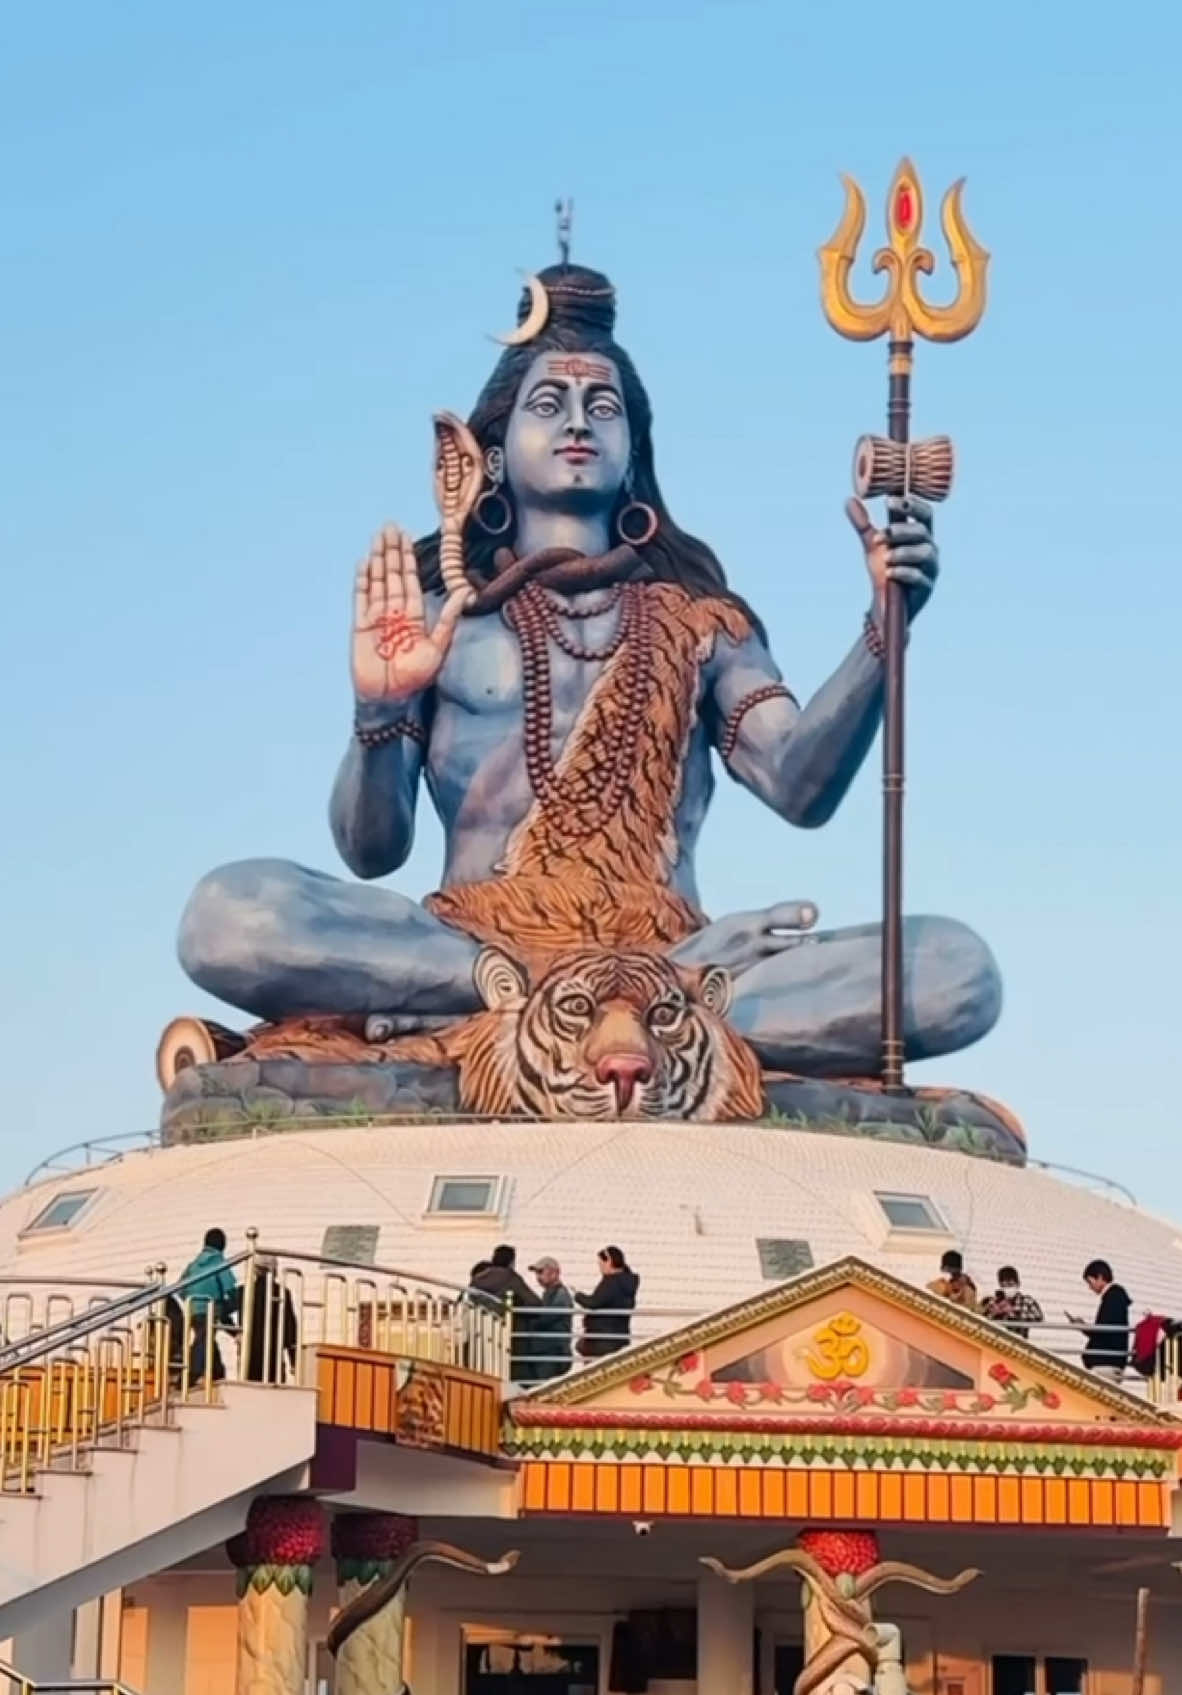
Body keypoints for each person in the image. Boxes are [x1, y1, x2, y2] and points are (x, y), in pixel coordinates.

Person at [177, 261, 1000, 1083]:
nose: (579, 423)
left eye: (603, 407)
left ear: (634, 449)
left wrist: (881, 633)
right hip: (472, 946)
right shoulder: (442, 617)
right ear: (490, 451)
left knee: (955, 970)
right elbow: (371, 851)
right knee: (228, 915)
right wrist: (376, 710)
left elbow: (800, 785)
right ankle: (551, 996)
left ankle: (599, 1003)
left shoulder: (700, 619)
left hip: (669, 957)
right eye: (550, 403)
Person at [469, 1246, 539, 1381]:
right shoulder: (511, 1278)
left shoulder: (477, 1279)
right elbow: (535, 1304)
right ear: (511, 1261)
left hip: (481, 1335)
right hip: (508, 1337)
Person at [180, 1227, 238, 1384]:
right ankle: (190, 1375)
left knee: (205, 1338)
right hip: (210, 1307)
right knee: (204, 1339)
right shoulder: (218, 1262)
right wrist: (236, 1302)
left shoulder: (193, 1265)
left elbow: (181, 1288)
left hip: (193, 1308)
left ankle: (217, 1371)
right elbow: (229, 1287)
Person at [236, 1254, 298, 1384]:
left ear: (255, 1270)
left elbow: (222, 1312)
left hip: (249, 1356)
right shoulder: (282, 1292)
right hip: (273, 1356)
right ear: (274, 1270)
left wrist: (235, 1332)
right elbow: (290, 1329)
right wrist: (294, 1360)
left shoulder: (243, 1291)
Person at [1069, 1260, 1132, 1382]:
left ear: (1099, 1277)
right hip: (1109, 1361)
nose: (1090, 1287)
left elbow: (1104, 1329)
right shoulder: (1114, 1296)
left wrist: (1083, 1327)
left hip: (1106, 1362)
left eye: (1090, 1281)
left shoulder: (1113, 1297)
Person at [575, 1246, 639, 1358]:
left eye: (601, 1264)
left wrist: (577, 1295)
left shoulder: (611, 1283)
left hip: (602, 1340)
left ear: (609, 1262)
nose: (600, 1268)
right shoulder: (626, 1282)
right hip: (618, 1336)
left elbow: (594, 1302)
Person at [528, 1256, 574, 1381]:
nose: (538, 1277)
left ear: (555, 1273)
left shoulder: (561, 1295)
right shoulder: (551, 1294)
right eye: (537, 1273)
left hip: (553, 1351)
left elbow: (546, 1318)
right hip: (549, 1351)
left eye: (541, 1272)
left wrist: (528, 1322)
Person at [980, 1266, 1044, 1339]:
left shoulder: (1027, 1301)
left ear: (1018, 1284)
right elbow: (982, 1320)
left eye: (1010, 1284)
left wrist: (1012, 1313)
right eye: (1004, 1286)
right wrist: (994, 1314)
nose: (1007, 1288)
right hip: (997, 1341)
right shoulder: (994, 1301)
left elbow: (1039, 1318)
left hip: (1019, 1341)